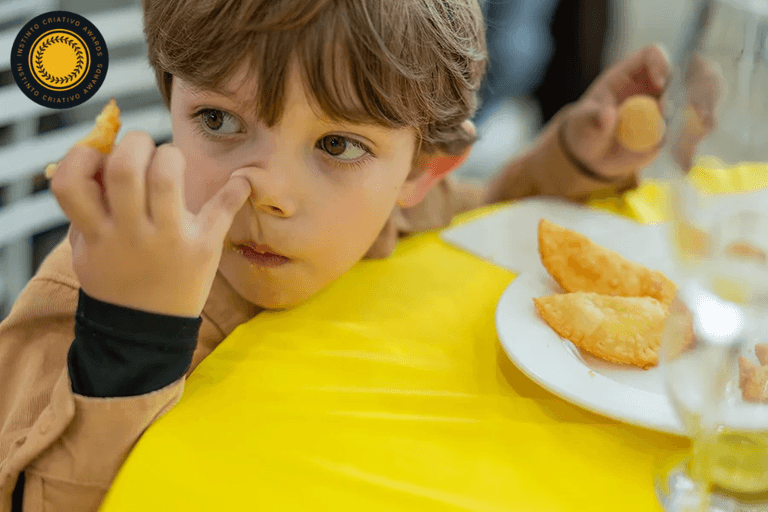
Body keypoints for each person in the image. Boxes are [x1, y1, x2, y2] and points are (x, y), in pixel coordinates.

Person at [0, 0, 670, 510]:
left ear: (423, 170)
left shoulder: (390, 219)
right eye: (218, 121)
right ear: (173, 98)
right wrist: (131, 331)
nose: (272, 194)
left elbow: (488, 209)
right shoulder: (95, 281)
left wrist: (575, 158)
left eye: (339, 145)